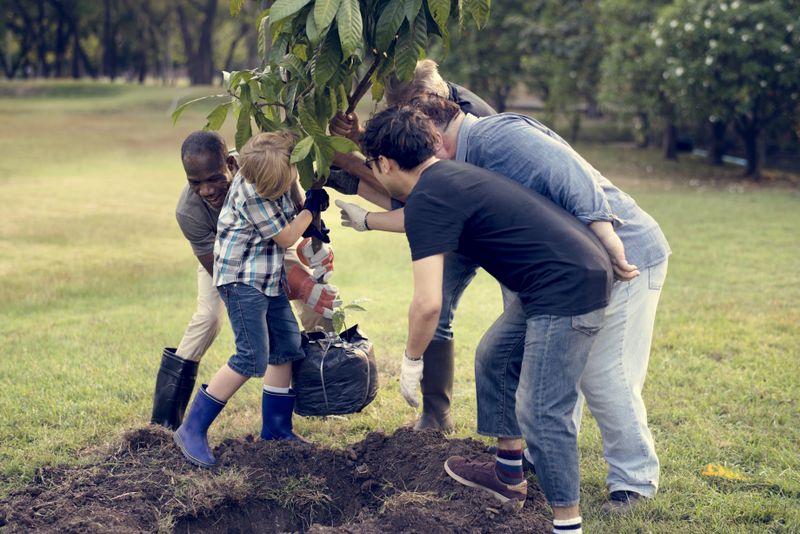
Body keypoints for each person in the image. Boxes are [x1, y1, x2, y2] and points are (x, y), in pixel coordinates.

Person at [339, 95, 671, 512]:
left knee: (593, 380)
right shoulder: (451, 171)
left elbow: (572, 174)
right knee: (495, 356)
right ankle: (512, 469)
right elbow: (422, 212)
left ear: (437, 138)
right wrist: (366, 219)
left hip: (619, 255)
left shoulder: (498, 138)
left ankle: (630, 484)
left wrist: (607, 238)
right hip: (554, 273)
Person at [326, 59, 497, 433]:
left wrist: (353, 165)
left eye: (415, 107)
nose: (411, 117)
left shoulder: (468, 123)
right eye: (400, 111)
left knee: (495, 331)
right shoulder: (425, 112)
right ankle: (436, 416)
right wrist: (357, 140)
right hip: (453, 215)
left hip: (495, 224)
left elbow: (425, 200)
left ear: (436, 96)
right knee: (440, 313)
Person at [150, 131, 339, 431]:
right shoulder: (191, 211)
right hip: (228, 262)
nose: (206, 190)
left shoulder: (265, 164)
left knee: (311, 308)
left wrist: (313, 241)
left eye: (213, 178)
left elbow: (294, 213)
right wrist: (297, 284)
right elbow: (225, 271)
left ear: (231, 163)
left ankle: (324, 393)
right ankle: (166, 419)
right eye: (195, 183)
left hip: (270, 245)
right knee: (210, 319)